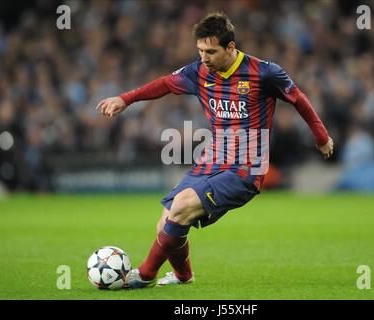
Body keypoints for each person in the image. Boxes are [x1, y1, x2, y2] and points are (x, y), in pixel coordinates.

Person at [96, 12, 334, 288]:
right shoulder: (198, 72)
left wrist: (321, 136)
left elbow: (299, 99)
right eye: (200, 51)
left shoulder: (265, 72)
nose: (204, 58)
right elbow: (163, 85)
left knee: (182, 206)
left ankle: (144, 275)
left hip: (246, 167)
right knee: (165, 223)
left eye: (210, 51)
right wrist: (125, 99)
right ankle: (184, 276)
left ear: (230, 48)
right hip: (212, 160)